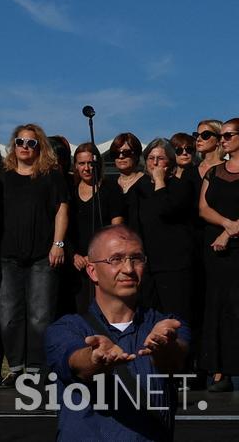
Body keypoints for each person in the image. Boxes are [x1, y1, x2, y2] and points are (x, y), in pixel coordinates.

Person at [44, 225, 189, 441]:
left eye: (136, 259)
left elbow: (175, 358)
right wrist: (95, 358)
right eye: (116, 259)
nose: (128, 268)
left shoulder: (167, 326)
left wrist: (164, 348)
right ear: (92, 271)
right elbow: (76, 362)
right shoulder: (66, 328)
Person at [0, 123, 69, 385]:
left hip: (42, 255)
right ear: (13, 145)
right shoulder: (2, 176)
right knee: (8, 316)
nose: (24, 147)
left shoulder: (51, 176)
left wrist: (58, 244)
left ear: (40, 147)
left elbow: (62, 210)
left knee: (40, 316)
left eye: (31, 143)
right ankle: (16, 367)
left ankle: (37, 368)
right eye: (20, 142)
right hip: (8, 256)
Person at [130, 139, 197, 323]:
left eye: (160, 158)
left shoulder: (181, 186)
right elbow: (134, 225)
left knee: (175, 319)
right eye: (151, 158)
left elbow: (165, 210)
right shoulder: (139, 188)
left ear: (170, 161)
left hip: (174, 265)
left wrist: (159, 181)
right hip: (148, 266)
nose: (155, 163)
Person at [198, 117, 239, 392]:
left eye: (227, 135)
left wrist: (230, 232)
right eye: (221, 135)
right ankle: (218, 371)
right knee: (217, 307)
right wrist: (226, 225)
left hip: (236, 249)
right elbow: (203, 208)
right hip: (215, 250)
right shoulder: (214, 172)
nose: (222, 140)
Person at [67, 142, 125, 314]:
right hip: (76, 264)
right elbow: (64, 228)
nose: (86, 168)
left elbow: (116, 227)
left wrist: (97, 256)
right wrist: (73, 255)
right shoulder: (70, 190)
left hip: (103, 262)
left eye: (90, 163)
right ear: (76, 166)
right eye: (81, 163)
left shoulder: (111, 188)